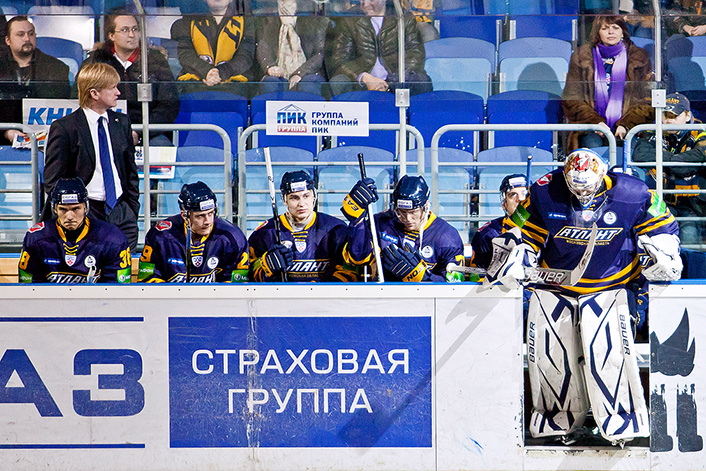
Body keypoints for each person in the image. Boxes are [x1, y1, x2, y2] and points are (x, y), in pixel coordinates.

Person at [486, 148, 681, 444]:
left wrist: (663, 252)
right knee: (551, 352)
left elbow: (665, 226)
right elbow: (519, 227)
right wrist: (518, 254)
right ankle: (557, 419)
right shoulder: (543, 191)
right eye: (575, 187)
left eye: (588, 187)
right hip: (556, 284)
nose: (582, 194)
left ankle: (623, 418)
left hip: (612, 285)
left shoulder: (634, 193)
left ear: (602, 175)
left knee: (608, 350)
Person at [43, 62, 140, 249]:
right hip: (85, 213)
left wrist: (131, 207)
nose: (118, 92)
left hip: (121, 212)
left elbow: (130, 171)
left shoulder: (122, 122)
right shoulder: (65, 127)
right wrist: (73, 211)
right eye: (112, 88)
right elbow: (52, 180)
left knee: (124, 265)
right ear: (94, 93)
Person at [80, 9, 179, 146]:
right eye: (125, 30)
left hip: (149, 133)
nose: (132, 35)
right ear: (111, 35)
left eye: (135, 29)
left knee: (162, 146)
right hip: (104, 129)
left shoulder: (155, 60)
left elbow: (169, 105)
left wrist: (139, 132)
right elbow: (81, 99)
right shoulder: (96, 61)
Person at [345, 174, 464, 282]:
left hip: (428, 298)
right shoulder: (382, 223)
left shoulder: (447, 236)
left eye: (413, 212)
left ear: (426, 205)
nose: (408, 218)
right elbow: (358, 258)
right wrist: (357, 223)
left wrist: (422, 278)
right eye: (402, 212)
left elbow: (456, 283)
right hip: (386, 294)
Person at [248, 170, 361, 282]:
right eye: (294, 198)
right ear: (284, 200)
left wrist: (323, 289)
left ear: (314, 197)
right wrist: (265, 265)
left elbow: (352, 271)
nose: (301, 204)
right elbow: (247, 274)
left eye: (306, 196)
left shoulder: (335, 228)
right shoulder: (266, 232)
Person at [562, 15, 653, 151]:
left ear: (623, 32)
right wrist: (595, 123)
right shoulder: (581, 57)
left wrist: (626, 124)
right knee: (593, 146)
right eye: (605, 28)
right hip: (590, 129)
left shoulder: (639, 57)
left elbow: (648, 100)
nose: (611, 32)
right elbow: (571, 99)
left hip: (629, 128)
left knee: (631, 148)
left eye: (615, 28)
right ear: (597, 32)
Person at [18, 178, 132, 284]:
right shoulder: (36, 238)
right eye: (63, 209)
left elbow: (117, 289)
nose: (70, 216)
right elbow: (29, 288)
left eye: (76, 208)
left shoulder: (113, 238)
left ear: (86, 207)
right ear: (55, 209)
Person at [633, 92, 706, 246]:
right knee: (656, 239)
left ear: (687, 115)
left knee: (689, 235)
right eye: (665, 115)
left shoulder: (701, 131)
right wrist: (676, 160)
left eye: (674, 116)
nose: (668, 120)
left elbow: (684, 167)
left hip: (691, 203)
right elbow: (639, 155)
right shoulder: (654, 130)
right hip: (661, 201)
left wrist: (662, 159)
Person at [139, 181, 249, 283]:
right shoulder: (160, 237)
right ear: (184, 215)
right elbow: (147, 280)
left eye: (211, 213)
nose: (208, 221)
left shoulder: (232, 237)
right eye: (200, 216)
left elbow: (237, 285)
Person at [326, 0, 432, 96]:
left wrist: (395, 80)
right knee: (338, 82)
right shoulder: (348, 19)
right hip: (362, 82)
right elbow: (339, 59)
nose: (365, 4)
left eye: (371, 0)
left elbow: (415, 53)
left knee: (421, 81)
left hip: (396, 80)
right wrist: (363, 77)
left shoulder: (403, 17)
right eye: (362, 0)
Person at [0, 16, 70, 145]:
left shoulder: (57, 68)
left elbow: (62, 107)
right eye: (20, 34)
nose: (27, 39)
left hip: (48, 139)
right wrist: (6, 131)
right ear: (8, 40)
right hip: (4, 139)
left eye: (31, 34)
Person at [170, 0, 255, 94]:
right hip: (196, 82)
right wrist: (207, 71)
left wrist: (221, 73)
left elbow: (245, 56)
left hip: (233, 83)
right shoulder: (188, 21)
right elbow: (185, 55)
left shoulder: (245, 21)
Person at [254, 0, 329, 96]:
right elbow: (263, 47)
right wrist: (270, 67)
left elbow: (319, 54)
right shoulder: (269, 18)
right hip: (278, 71)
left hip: (309, 72)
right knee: (270, 84)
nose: (284, 5)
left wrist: (300, 73)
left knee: (309, 85)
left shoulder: (313, 19)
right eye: (282, 3)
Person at [470, 173, 529, 269]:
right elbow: (476, 274)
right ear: (503, 203)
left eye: (525, 193)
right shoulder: (487, 234)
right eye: (513, 195)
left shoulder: (547, 231)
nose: (520, 199)